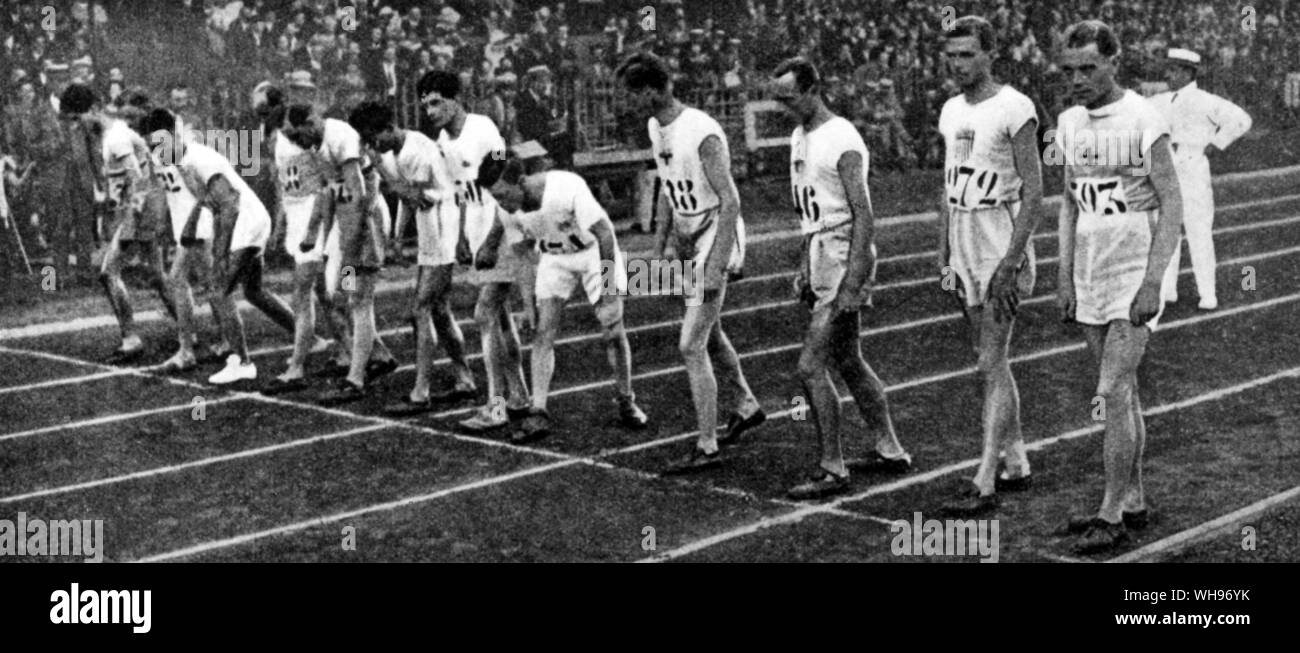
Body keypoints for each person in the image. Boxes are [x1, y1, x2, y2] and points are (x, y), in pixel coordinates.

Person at [1053, 21, 1184, 554]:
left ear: (1113, 61)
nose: (1078, 79)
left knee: (1108, 393)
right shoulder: (1066, 122)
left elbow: (1172, 201)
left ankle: (1109, 513)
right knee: (1122, 394)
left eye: (1088, 68)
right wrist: (1063, 274)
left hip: (1135, 270)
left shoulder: (1142, 118)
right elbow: (1068, 200)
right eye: (1069, 70)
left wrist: (1154, 280)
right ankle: (1131, 498)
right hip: (1090, 270)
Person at [769, 57, 913, 500]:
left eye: (789, 98)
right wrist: (803, 264)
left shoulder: (842, 137)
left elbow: (863, 214)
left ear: (813, 89)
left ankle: (833, 467)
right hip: (819, 253)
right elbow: (809, 213)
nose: (783, 107)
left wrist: (852, 280)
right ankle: (890, 447)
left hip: (843, 254)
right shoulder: (799, 136)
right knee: (848, 359)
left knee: (810, 366)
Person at [615, 52, 765, 475]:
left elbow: (731, 200)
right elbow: (667, 188)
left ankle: (707, 444)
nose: (627, 102)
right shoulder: (654, 127)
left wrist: (715, 263)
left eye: (632, 93)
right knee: (710, 332)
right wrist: (658, 246)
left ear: (652, 90)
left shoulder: (701, 131)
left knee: (690, 343)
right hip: (687, 237)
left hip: (717, 235)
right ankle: (746, 404)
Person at [935, 16, 1043, 516]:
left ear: (989, 54)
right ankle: (1016, 460)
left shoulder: (1015, 106)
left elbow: (1035, 189)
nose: (957, 64)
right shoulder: (950, 110)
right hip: (964, 239)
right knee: (992, 361)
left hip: (1000, 237)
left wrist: (1013, 259)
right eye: (951, 55)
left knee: (989, 361)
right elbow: (948, 185)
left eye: (967, 54)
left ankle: (984, 477)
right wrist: (944, 252)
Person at [479, 150, 649, 443]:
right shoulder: (507, 209)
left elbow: (606, 234)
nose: (502, 203)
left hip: (593, 252)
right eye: (495, 197)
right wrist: (529, 304)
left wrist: (609, 293)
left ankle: (626, 398)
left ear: (520, 181)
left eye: (504, 195)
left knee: (613, 331)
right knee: (543, 332)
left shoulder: (565, 187)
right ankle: (539, 410)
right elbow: (522, 256)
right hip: (554, 257)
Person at [140, 108, 296, 385]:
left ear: (175, 134)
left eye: (161, 143)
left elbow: (230, 206)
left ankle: (243, 362)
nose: (157, 151)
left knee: (219, 287)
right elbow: (203, 201)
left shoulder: (201, 159)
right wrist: (186, 230)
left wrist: (221, 253)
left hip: (246, 222)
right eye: (153, 145)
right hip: (244, 221)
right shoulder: (180, 160)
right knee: (253, 291)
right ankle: (306, 336)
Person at [347, 100, 479, 414]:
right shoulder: (402, 149)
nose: (371, 145)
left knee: (420, 309)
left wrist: (379, 166)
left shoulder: (416, 150)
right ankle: (464, 377)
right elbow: (408, 197)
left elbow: (413, 196)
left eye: (372, 138)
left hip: (442, 230)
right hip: (431, 231)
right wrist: (397, 239)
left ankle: (421, 391)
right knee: (440, 311)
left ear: (387, 128)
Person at [419, 69, 533, 432]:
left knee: (484, 314)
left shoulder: (482, 129)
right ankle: (518, 395)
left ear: (456, 100)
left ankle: (495, 404)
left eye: (437, 102)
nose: (430, 111)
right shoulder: (442, 140)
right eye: (425, 104)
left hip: (502, 231)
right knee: (499, 318)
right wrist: (464, 237)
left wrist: (490, 240)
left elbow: (508, 181)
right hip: (477, 232)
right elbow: (462, 192)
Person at [279, 102, 399, 404]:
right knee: (337, 296)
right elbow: (328, 192)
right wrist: (315, 232)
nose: (296, 143)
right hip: (346, 224)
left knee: (357, 297)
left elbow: (360, 196)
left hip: (364, 221)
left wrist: (349, 249)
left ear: (310, 122)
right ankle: (379, 355)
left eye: (297, 135)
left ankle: (356, 378)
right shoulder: (316, 144)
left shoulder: (339, 136)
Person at [257, 84, 350, 395]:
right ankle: (348, 349)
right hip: (296, 214)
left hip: (314, 213)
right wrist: (279, 225)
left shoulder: (302, 135)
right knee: (323, 293)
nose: (262, 114)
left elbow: (326, 184)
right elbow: (284, 187)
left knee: (302, 291)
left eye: (265, 108)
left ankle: (297, 367)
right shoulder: (272, 136)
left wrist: (313, 229)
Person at [1149, 47, 1252, 311]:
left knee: (1198, 232)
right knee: (1167, 229)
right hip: (1168, 167)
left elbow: (1242, 120)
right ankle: (1168, 288)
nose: (1167, 74)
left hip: (1193, 166)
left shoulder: (1206, 101)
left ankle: (1208, 293)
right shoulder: (1159, 100)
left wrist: (1215, 144)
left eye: (1172, 70)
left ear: (1186, 72)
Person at [96, 91, 178, 363]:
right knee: (157, 274)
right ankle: (187, 329)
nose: (128, 119)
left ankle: (131, 339)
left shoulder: (122, 135)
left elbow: (140, 180)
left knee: (109, 272)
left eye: (133, 115)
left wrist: (130, 220)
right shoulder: (127, 133)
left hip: (143, 209)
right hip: (147, 206)